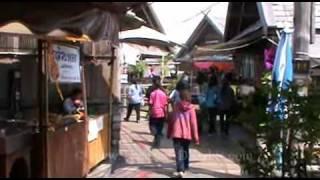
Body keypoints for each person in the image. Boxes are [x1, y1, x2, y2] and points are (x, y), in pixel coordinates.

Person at [167, 88, 199, 178]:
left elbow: (171, 120)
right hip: (187, 134)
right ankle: (185, 166)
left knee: (178, 151)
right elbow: (193, 124)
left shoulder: (176, 107)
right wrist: (196, 138)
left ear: (180, 97)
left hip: (176, 133)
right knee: (185, 150)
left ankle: (180, 169)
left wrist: (169, 132)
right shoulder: (191, 109)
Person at [149, 77, 168, 148]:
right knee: (160, 128)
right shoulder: (163, 93)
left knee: (152, 126)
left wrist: (149, 112)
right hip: (161, 113)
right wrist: (166, 114)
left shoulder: (152, 94)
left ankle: (156, 137)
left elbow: (150, 104)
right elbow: (165, 105)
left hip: (153, 113)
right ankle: (158, 141)